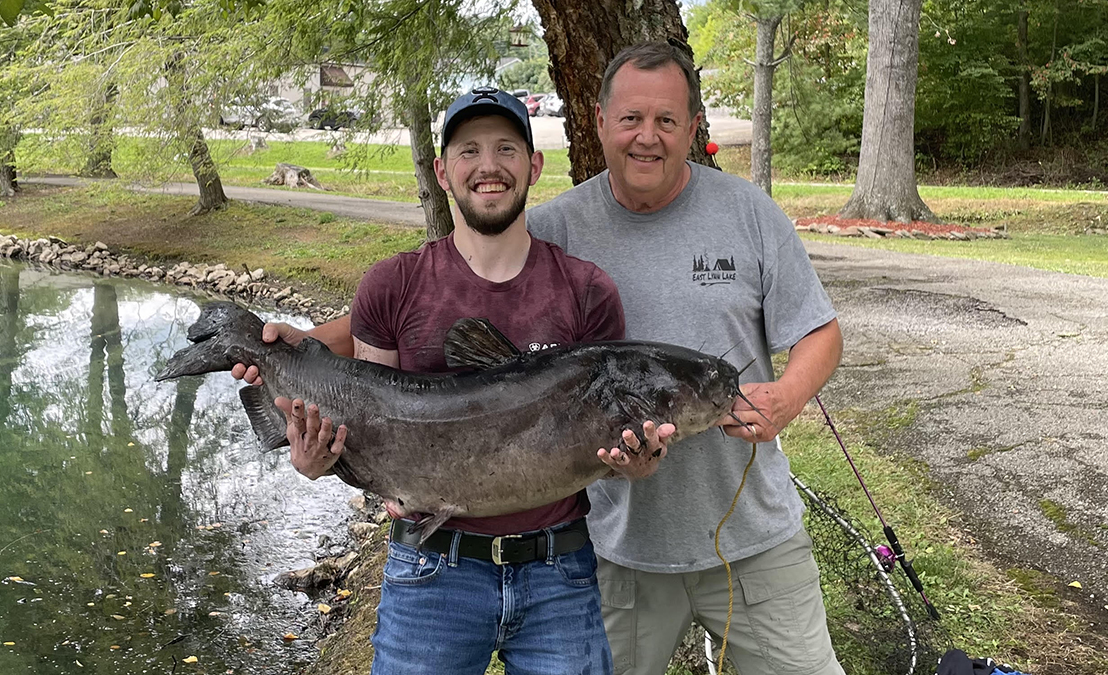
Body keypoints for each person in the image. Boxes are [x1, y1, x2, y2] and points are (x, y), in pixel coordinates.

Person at [232, 87, 653, 674]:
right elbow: (371, 426)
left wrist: (632, 463)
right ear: (443, 170)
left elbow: (610, 445)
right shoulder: (391, 285)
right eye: (469, 150)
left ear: (533, 166)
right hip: (430, 571)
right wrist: (315, 457)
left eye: (507, 148)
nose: (489, 166)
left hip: (561, 572)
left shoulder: (588, 291)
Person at [524, 42, 846, 675]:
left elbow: (821, 333)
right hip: (616, 549)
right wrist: (314, 340)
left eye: (667, 121)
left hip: (754, 540)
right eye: (631, 119)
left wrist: (787, 397)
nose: (648, 138)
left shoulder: (748, 214)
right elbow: (445, 288)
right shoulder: (553, 231)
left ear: (694, 129)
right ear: (597, 122)